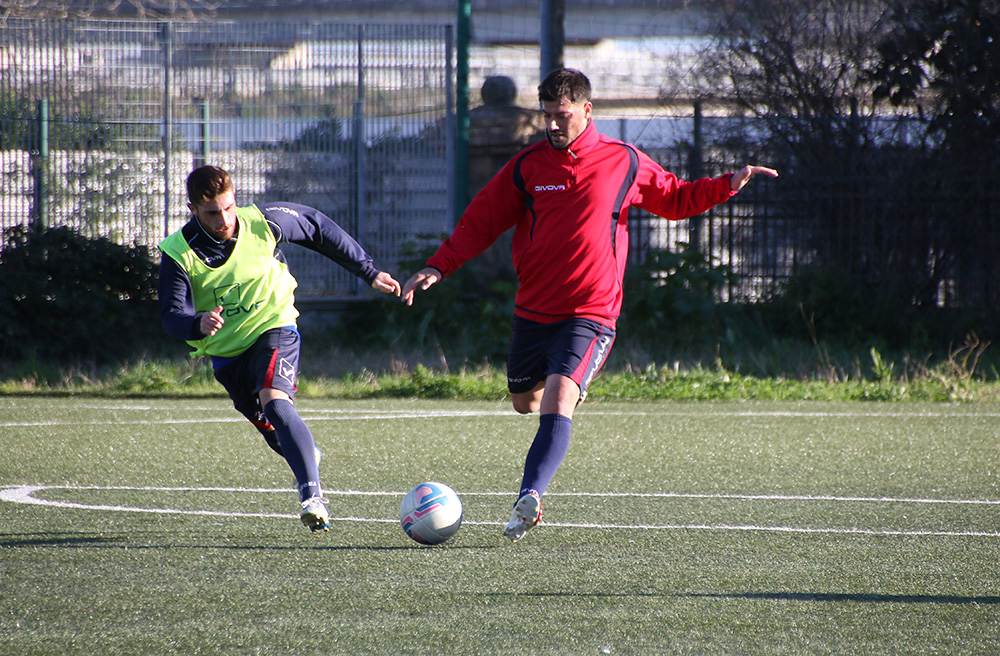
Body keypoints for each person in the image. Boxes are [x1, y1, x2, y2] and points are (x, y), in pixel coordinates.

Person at [402, 68, 778, 543]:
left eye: (562, 116)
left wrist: (728, 183)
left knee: (559, 398)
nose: (553, 126)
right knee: (524, 402)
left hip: (592, 312)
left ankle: (530, 497)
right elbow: (481, 221)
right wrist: (439, 266)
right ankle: (565, 395)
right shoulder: (527, 167)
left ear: (586, 109)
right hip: (534, 311)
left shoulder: (624, 162)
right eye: (547, 117)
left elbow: (676, 198)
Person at [158, 165, 401, 533]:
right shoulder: (178, 253)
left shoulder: (264, 221)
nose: (225, 219)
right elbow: (171, 314)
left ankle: (312, 496)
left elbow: (317, 225)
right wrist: (197, 323)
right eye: (212, 212)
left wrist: (368, 271)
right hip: (227, 354)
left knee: (276, 400)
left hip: (275, 325)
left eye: (229, 207)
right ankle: (305, 458)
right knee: (271, 427)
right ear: (192, 209)